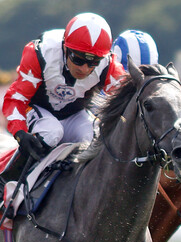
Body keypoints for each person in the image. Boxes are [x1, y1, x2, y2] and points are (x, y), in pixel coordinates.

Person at [2, 12, 124, 163]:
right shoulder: (40, 53)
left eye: (94, 62)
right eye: (78, 59)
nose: (84, 69)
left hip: (74, 115)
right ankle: (7, 177)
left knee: (94, 139)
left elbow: (130, 102)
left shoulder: (110, 66)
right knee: (51, 133)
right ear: (65, 48)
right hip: (38, 109)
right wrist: (20, 132)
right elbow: (15, 99)